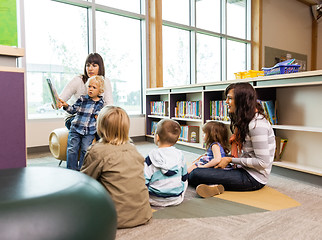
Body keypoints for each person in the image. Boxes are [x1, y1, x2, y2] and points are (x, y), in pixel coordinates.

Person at [188, 82, 276, 198]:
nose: (226, 102)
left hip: (253, 178)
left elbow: (262, 163)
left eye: (230, 98)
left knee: (195, 174)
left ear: (241, 100)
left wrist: (230, 160)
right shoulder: (246, 120)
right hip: (241, 168)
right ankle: (214, 185)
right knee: (201, 167)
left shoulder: (257, 125)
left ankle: (213, 185)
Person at [81, 106, 152, 228]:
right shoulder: (133, 149)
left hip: (114, 219)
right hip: (143, 214)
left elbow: (85, 182)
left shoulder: (97, 151)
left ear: (99, 127)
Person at [59, 75, 105, 171]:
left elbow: (100, 116)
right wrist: (66, 105)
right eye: (89, 86)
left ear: (100, 91)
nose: (90, 89)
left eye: (94, 87)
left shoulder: (101, 103)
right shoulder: (82, 99)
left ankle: (82, 170)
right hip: (75, 128)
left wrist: (99, 116)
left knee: (85, 150)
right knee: (72, 149)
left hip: (89, 132)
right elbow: (73, 110)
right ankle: (72, 170)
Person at [59, 53, 113, 129]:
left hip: (95, 117)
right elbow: (61, 98)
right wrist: (58, 103)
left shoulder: (105, 81)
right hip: (74, 117)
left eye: (94, 65)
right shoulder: (78, 80)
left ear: (100, 67)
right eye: (88, 65)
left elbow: (109, 105)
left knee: (109, 125)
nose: (90, 68)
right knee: (90, 123)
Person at [144, 119, 188, 207]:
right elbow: (184, 177)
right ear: (177, 139)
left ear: (157, 137)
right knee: (184, 177)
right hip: (176, 199)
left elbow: (144, 180)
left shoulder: (151, 157)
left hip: (154, 199)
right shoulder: (180, 155)